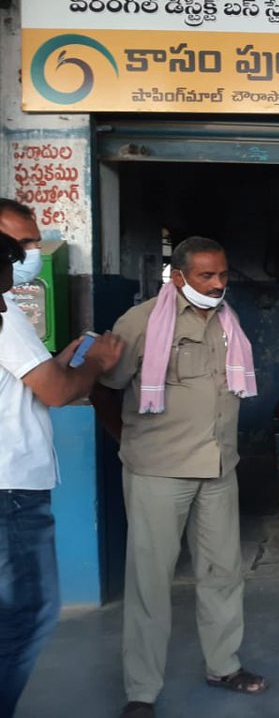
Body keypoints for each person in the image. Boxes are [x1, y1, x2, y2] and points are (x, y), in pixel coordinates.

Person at [92, 236, 264, 718]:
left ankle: (224, 665)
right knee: (150, 580)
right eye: (207, 276)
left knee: (222, 573)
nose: (218, 284)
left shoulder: (227, 322)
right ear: (179, 276)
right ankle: (141, 691)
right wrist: (127, 441)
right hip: (159, 471)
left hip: (217, 466)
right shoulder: (143, 322)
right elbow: (106, 389)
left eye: (223, 274)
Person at [0, 220, 123, 718]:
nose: (27, 259)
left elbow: (28, 382)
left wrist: (61, 361)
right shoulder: (4, 314)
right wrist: (96, 366)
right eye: (20, 249)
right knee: (27, 616)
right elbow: (55, 391)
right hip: (10, 491)